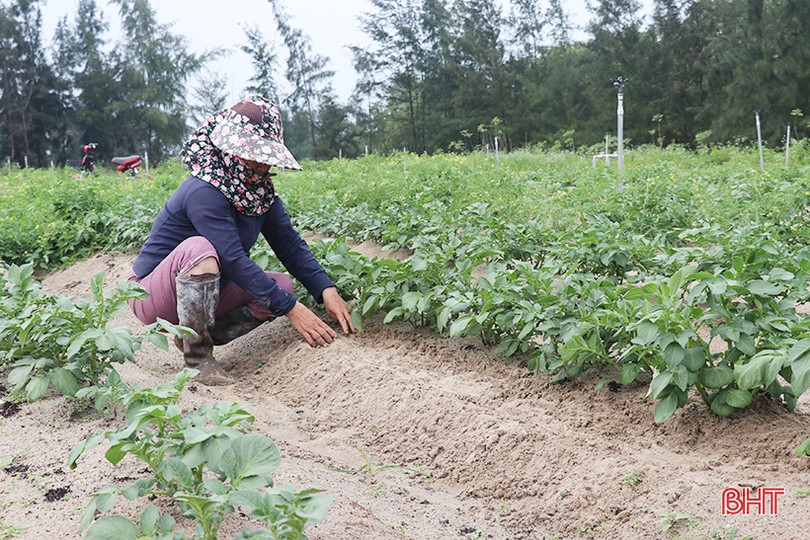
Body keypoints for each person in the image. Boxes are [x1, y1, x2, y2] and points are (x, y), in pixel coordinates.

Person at [127, 95, 356, 385]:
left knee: (281, 287)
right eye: (255, 153)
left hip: (204, 291)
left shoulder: (258, 191)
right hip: (150, 292)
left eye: (266, 155)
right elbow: (232, 259)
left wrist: (325, 289)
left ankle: (192, 336)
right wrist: (292, 309)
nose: (262, 164)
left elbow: (290, 245)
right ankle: (198, 359)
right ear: (231, 149)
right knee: (202, 250)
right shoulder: (204, 190)